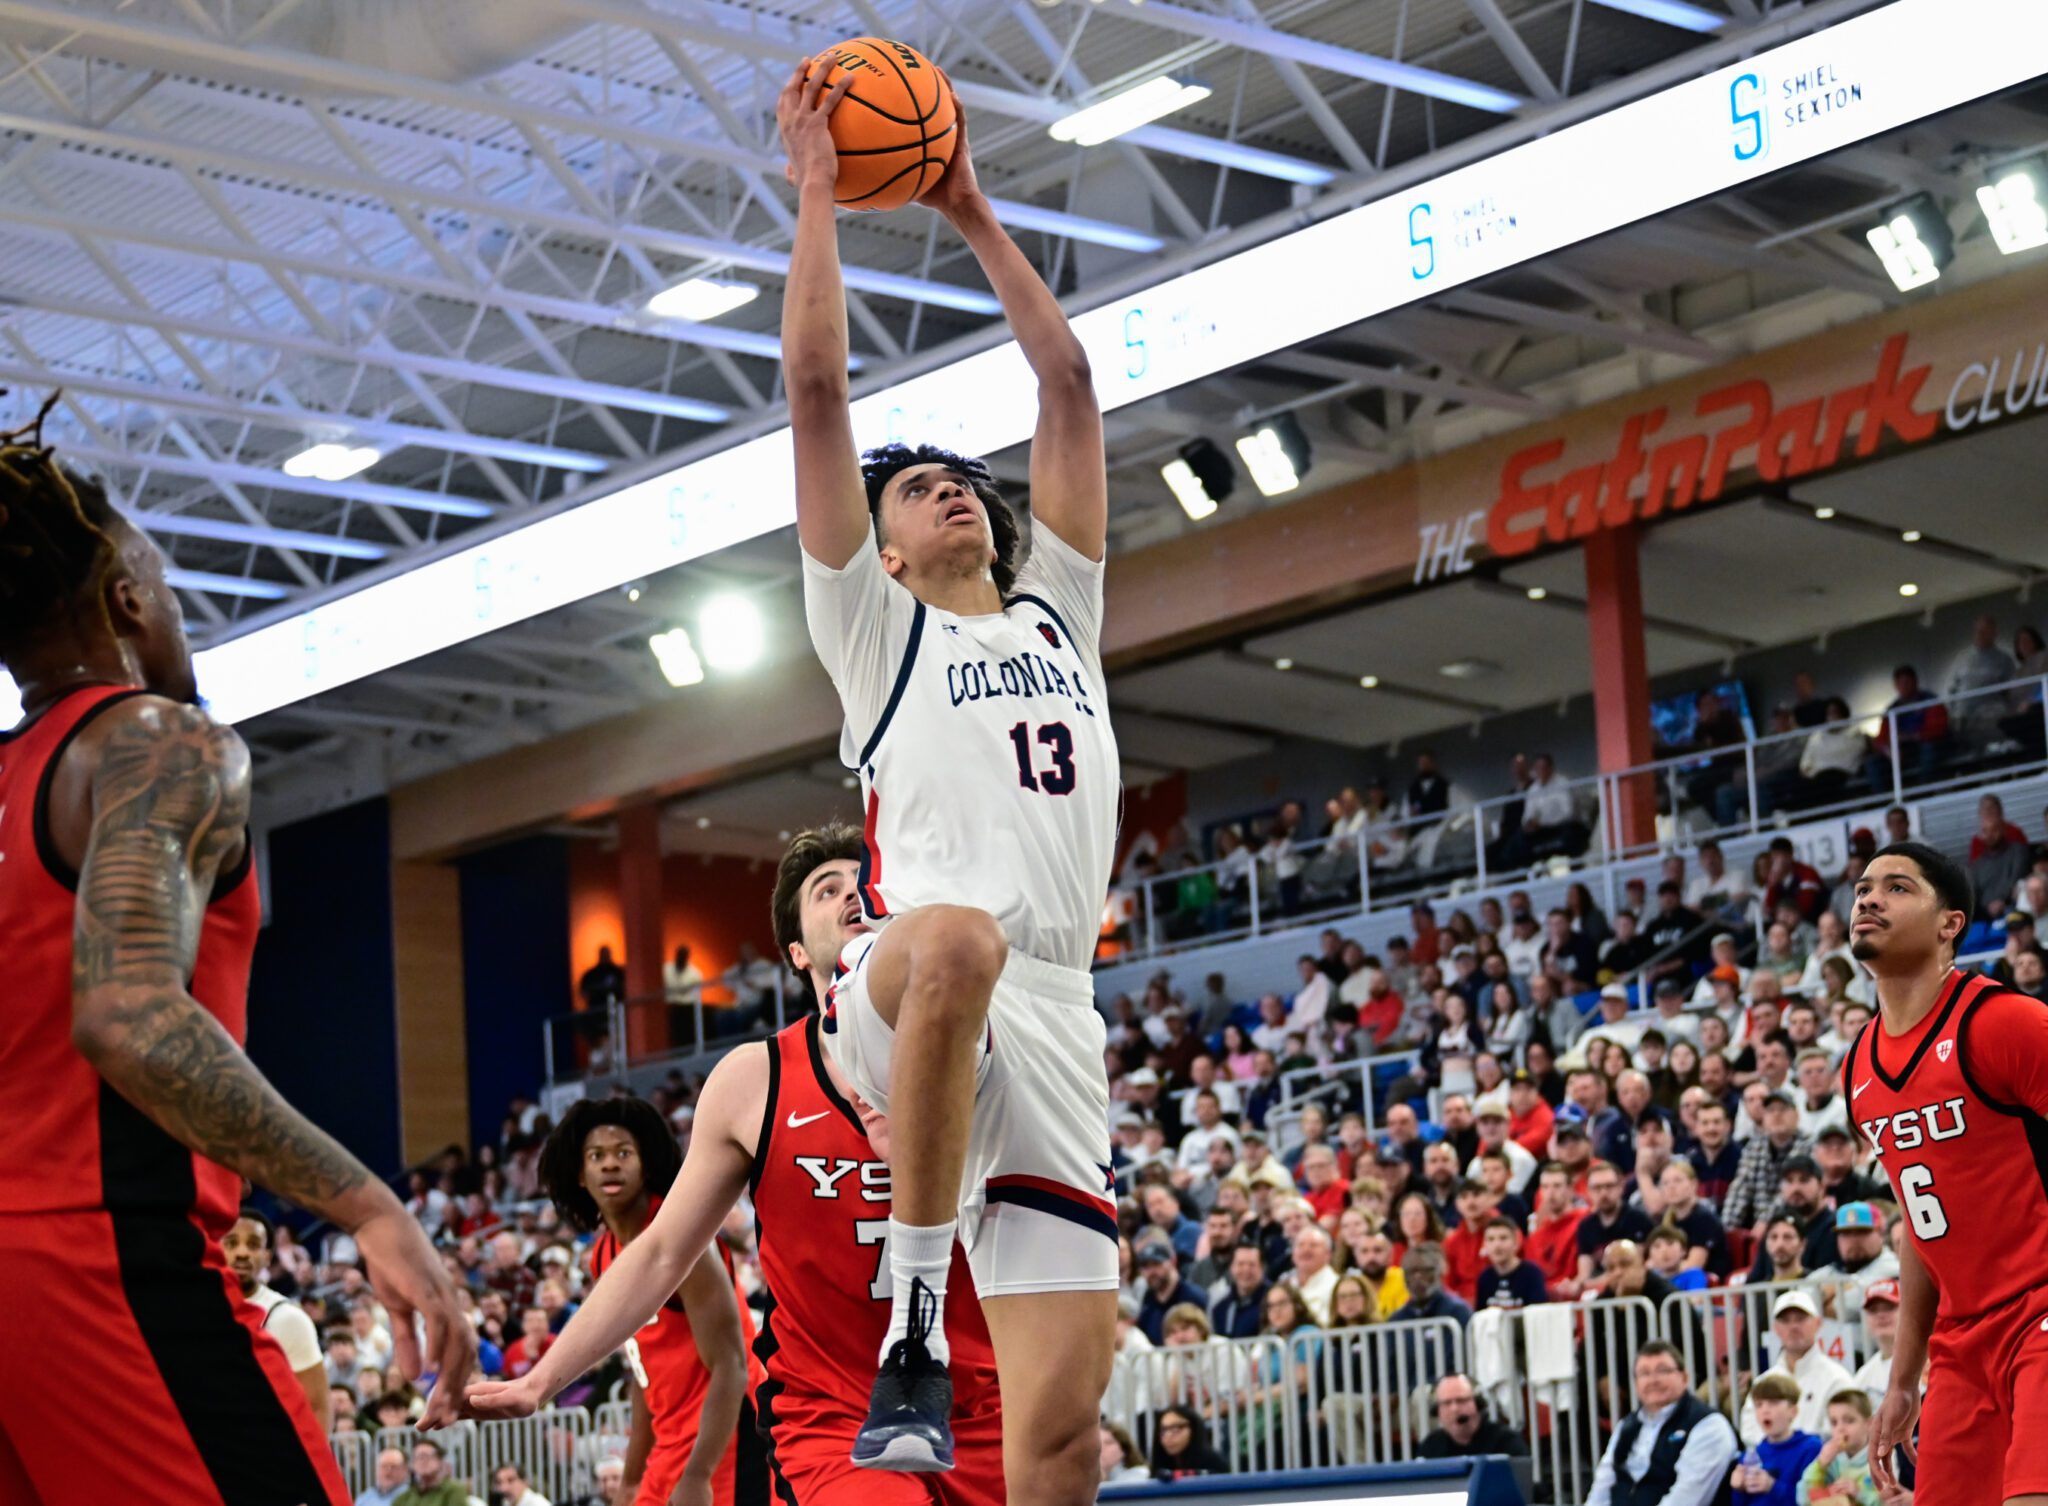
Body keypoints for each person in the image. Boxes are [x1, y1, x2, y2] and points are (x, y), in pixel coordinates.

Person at [748, 56, 1124, 1498]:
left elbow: (1071, 383)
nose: (951, 485)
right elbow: (815, 382)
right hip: (904, 981)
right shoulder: (870, 625)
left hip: (1057, 1008)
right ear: (884, 544)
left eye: (962, 477)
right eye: (917, 487)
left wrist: (968, 200)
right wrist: (821, 192)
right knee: (958, 932)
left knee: (1059, 1430)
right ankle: (913, 1313)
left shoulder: (1059, 613)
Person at [0, 402, 471, 1504]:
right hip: (95, 1258)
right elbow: (124, 1016)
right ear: (128, 595)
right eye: (160, 574)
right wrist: (367, 1202)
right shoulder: (157, 745)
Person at [474, 825, 1011, 1505]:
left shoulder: (987, 1053)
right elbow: (663, 1248)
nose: (854, 895)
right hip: (833, 1414)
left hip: (985, 1404)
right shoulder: (754, 1079)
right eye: (828, 889)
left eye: (865, 882)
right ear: (795, 951)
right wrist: (539, 1379)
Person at [1844, 842, 2048, 1504]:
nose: (1869, 898)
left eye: (1897, 888)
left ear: (1949, 923)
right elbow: (1922, 1223)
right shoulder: (1859, 1072)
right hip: (1961, 1342)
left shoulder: (2004, 1023)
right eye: (1863, 888)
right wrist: (1904, 1376)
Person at [516, 1098, 761, 1506]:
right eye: (597, 1156)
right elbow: (641, 1371)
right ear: (580, 1174)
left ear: (646, 1165)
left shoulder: (686, 1238)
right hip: (667, 1446)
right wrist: (631, 1479)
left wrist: (698, 1475)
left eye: (623, 1153)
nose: (610, 1164)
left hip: (727, 1436)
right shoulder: (602, 1254)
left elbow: (732, 1366)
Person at [1586, 1341, 1740, 1506]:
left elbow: (1686, 1498)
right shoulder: (1627, 1426)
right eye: (1644, 1373)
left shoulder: (1708, 1426)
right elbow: (1602, 1487)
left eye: (1663, 1370)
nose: (1653, 1380)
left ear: (1684, 1377)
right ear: (1636, 1384)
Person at [223, 1206, 332, 1433]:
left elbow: (318, 1406)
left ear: (267, 1256)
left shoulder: (288, 1318)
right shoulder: (195, 1310)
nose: (242, 1253)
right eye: (231, 1243)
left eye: (253, 1245)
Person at [1740, 1290, 1855, 1446]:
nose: (1793, 1326)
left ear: (1818, 1323)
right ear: (1775, 1328)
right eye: (1785, 1320)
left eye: (1801, 1319)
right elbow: (1749, 1431)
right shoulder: (1763, 1383)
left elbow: (1841, 1434)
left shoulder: (1837, 1379)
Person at [1733, 1371, 1825, 1506]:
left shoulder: (1811, 1448)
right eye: (1759, 1405)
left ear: (1793, 1411)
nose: (1765, 1410)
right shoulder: (1752, 1455)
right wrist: (1738, 1489)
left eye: (1773, 1403)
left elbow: (1812, 1499)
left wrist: (1773, 1487)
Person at [1418, 1372, 1531, 1460]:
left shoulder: (1506, 1442)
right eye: (1447, 1403)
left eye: (1461, 1400)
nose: (1454, 1409)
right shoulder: (1430, 1447)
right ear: (1437, 1411)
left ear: (1478, 1404)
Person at [1801, 1389, 1882, 1505]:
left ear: (1869, 1424)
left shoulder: (1882, 1459)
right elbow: (1803, 1498)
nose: (1840, 1428)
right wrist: (1820, 1463)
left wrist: (1859, 1493)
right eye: (1834, 1423)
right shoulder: (1832, 1460)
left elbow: (1888, 1501)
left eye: (1849, 1421)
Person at [1147, 1405, 1228, 1481]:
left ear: (1193, 1429)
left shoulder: (1212, 1464)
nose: (1168, 1436)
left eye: (1175, 1429)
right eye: (1163, 1430)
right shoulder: (1161, 1468)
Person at [395, 1440, 468, 1506]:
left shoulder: (453, 1491)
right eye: (419, 1457)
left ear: (440, 1461)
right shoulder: (405, 1497)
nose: (424, 1461)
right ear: (412, 1465)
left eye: (428, 1456)